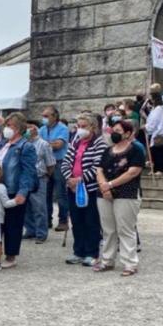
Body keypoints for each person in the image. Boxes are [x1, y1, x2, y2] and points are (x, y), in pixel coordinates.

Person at [0, 112, 37, 268]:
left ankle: (11, 255)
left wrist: (23, 192)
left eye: (9, 126)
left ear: (19, 128)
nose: (6, 129)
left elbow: (27, 172)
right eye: (6, 125)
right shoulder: (2, 144)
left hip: (13, 189)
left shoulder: (25, 146)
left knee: (12, 224)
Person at [95, 120, 146, 276]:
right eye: (113, 130)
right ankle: (107, 260)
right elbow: (99, 169)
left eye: (118, 130)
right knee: (108, 229)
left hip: (126, 193)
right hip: (104, 193)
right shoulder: (107, 150)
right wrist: (104, 186)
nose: (114, 133)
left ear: (128, 133)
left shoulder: (135, 150)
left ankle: (130, 263)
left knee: (125, 229)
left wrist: (110, 184)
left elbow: (133, 172)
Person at [61, 114, 108, 266]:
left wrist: (80, 180)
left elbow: (97, 166)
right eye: (78, 126)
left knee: (91, 221)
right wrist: (70, 178)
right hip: (73, 188)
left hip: (90, 188)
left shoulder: (99, 143)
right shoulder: (75, 141)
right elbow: (66, 162)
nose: (79, 129)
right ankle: (78, 251)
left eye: (83, 126)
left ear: (93, 127)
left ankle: (91, 252)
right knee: (76, 220)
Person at [22, 121, 55, 244]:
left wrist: (46, 175)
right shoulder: (24, 143)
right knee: (26, 207)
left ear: (35, 129)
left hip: (39, 178)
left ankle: (41, 233)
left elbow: (51, 163)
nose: (26, 130)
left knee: (39, 207)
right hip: (25, 178)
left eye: (28, 128)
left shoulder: (43, 144)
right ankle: (30, 230)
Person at [40, 106, 70, 232]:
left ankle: (63, 221)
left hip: (59, 162)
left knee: (60, 193)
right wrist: (48, 144)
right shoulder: (42, 129)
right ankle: (47, 220)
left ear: (54, 116)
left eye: (46, 116)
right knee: (46, 193)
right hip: (46, 163)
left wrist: (44, 145)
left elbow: (58, 145)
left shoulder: (63, 128)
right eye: (43, 116)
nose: (44, 118)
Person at [144, 86, 163, 176]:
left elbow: (154, 121)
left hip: (158, 132)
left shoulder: (159, 108)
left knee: (159, 153)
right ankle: (154, 169)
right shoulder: (157, 107)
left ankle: (160, 169)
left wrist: (147, 127)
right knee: (154, 152)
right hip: (156, 132)